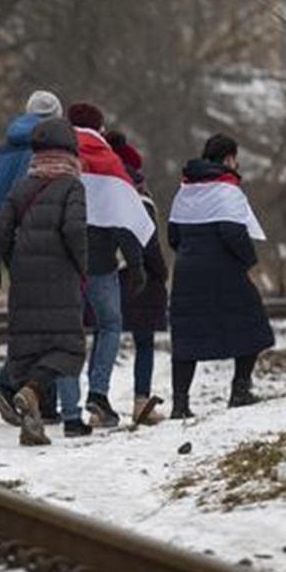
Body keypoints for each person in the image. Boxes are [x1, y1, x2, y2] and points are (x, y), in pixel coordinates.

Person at [166, 133, 273, 419]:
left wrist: (190, 253)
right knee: (252, 324)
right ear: (229, 158)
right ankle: (240, 390)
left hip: (187, 271)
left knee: (187, 335)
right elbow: (233, 233)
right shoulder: (228, 190)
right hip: (224, 270)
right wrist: (249, 261)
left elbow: (173, 236)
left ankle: (180, 403)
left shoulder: (185, 190)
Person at [0, 118, 87, 446]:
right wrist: (83, 265)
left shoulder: (21, 187)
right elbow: (75, 230)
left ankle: (32, 424)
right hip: (61, 276)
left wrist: (13, 264)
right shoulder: (72, 187)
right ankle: (32, 391)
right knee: (68, 348)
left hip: (24, 276)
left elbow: (1, 230)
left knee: (30, 349)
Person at [64, 103, 153, 435]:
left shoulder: (56, 154)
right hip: (100, 262)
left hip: (63, 258)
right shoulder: (109, 161)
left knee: (65, 328)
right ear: (99, 128)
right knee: (110, 324)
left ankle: (55, 397)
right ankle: (97, 394)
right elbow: (122, 218)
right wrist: (136, 262)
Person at [0, 90, 64, 425]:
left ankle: (44, 403)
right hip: (44, 241)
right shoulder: (52, 150)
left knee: (35, 318)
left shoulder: (3, 152)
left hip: (10, 244)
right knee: (52, 320)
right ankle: (8, 383)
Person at [109, 132, 168, 425]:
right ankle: (141, 403)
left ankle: (98, 401)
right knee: (143, 342)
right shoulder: (140, 199)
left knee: (104, 341)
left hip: (105, 273)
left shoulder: (97, 190)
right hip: (139, 278)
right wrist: (162, 272)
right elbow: (150, 242)